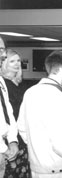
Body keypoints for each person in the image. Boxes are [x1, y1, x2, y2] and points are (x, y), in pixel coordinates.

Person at [17, 51, 62, 178]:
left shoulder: (30, 92)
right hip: (58, 168)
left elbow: (22, 127)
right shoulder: (57, 96)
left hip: (38, 166)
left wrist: (38, 146)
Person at [1, 49, 31, 177]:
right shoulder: (3, 84)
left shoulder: (20, 84)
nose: (17, 63)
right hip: (7, 136)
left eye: (18, 60)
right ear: (3, 63)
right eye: (12, 61)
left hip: (20, 134)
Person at [0, 36, 19, 178]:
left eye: (4, 50)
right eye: (0, 50)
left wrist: (13, 140)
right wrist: (3, 147)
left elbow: (8, 113)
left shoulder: (1, 82)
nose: (4, 55)